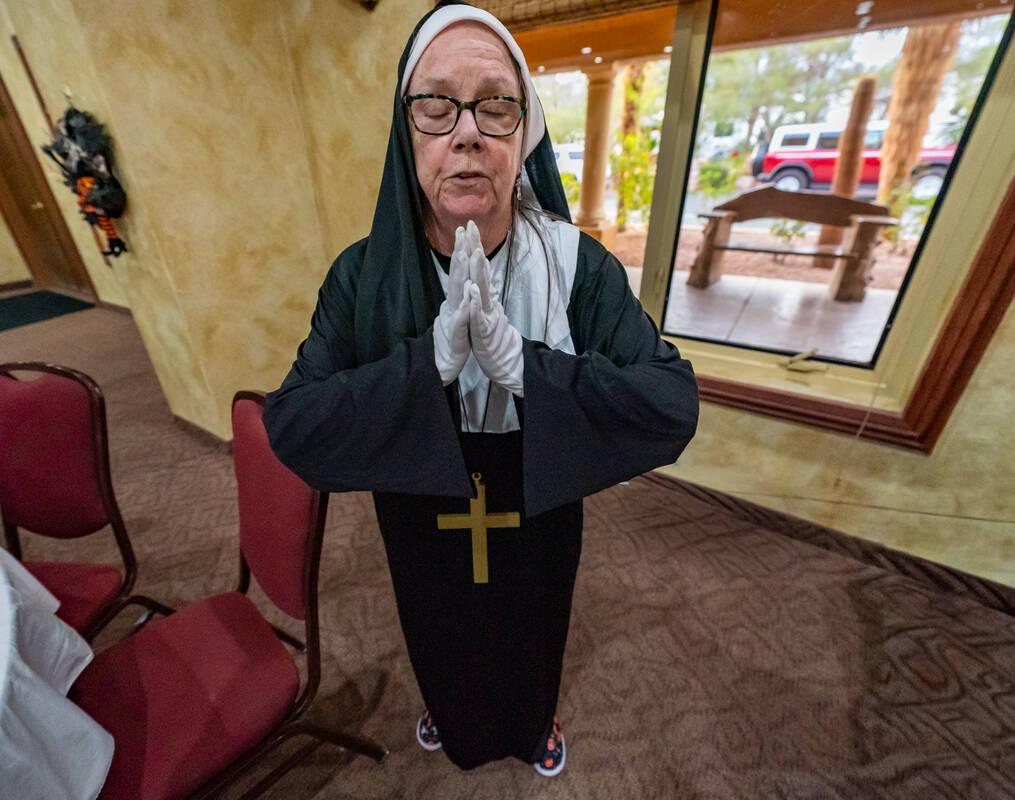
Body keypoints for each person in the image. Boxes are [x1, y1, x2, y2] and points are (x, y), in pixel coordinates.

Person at [263, 1, 699, 776]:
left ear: (523, 132)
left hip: (536, 482)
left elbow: (670, 404)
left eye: (495, 105)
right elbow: (293, 424)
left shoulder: (576, 264)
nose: (466, 131)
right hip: (419, 491)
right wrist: (423, 368)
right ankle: (451, 714)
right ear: (407, 133)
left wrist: (526, 366)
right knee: (438, 621)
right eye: (436, 104)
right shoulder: (359, 275)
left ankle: (535, 724)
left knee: (532, 617)